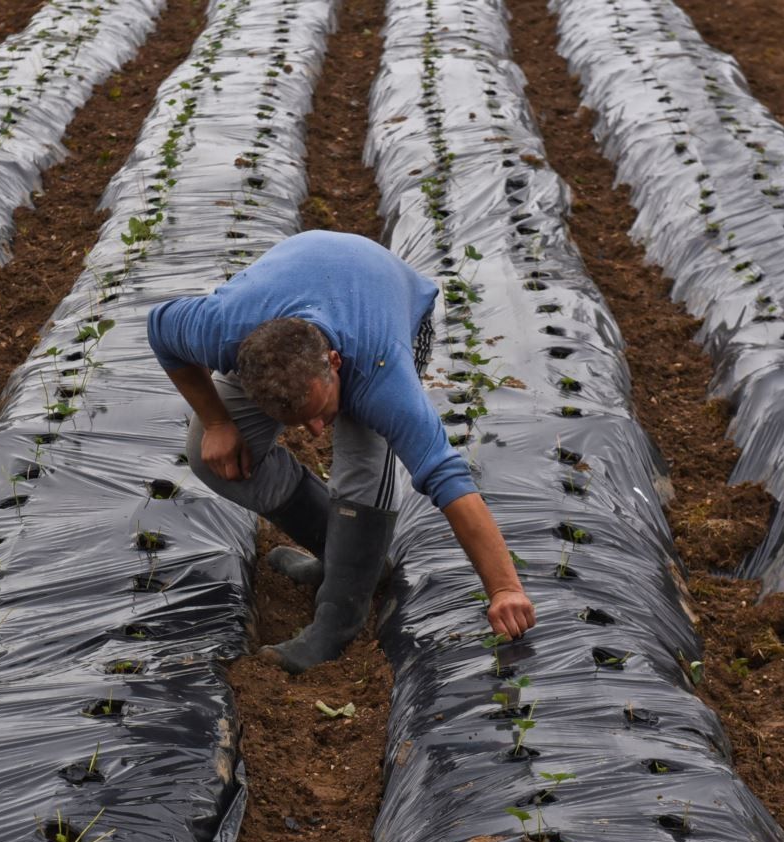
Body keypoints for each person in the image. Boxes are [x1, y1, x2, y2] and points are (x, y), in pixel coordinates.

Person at [146, 230, 535, 673]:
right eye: (299, 423)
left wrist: (504, 589)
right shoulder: (220, 328)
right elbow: (159, 328)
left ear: (333, 363)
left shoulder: (382, 377)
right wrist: (217, 422)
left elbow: (448, 479)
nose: (316, 432)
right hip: (289, 300)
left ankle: (338, 619)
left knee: (363, 465)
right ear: (238, 364)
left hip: (385, 307)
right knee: (210, 456)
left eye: (319, 412)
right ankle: (346, 560)